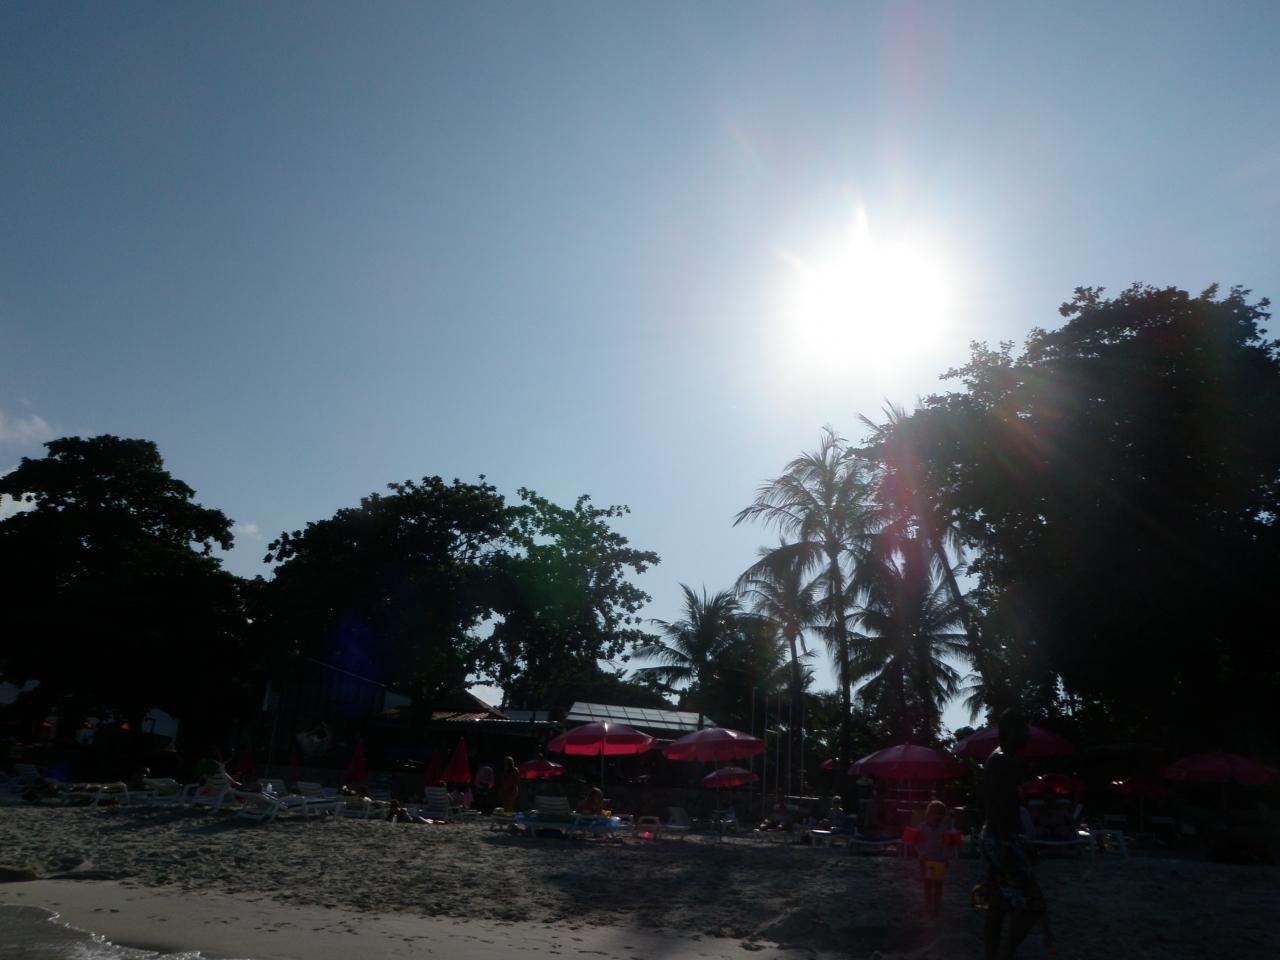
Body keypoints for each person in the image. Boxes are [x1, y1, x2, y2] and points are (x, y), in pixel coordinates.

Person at [977, 709, 1046, 960]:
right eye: (1023, 729)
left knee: (998, 904)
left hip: (996, 836)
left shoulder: (998, 759)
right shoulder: (1005, 761)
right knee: (1034, 903)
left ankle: (993, 955)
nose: (1027, 734)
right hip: (1001, 838)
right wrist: (1010, 843)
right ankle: (1005, 954)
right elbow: (1000, 808)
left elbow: (999, 805)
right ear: (1010, 732)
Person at [915, 800, 956, 920]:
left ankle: (936, 908)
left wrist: (945, 858)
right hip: (925, 860)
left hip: (939, 860)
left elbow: (947, 846)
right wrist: (922, 854)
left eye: (940, 817)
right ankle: (928, 907)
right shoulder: (921, 828)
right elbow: (917, 843)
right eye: (935, 816)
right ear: (928, 815)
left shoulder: (944, 829)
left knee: (938, 886)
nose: (937, 820)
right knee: (927, 885)